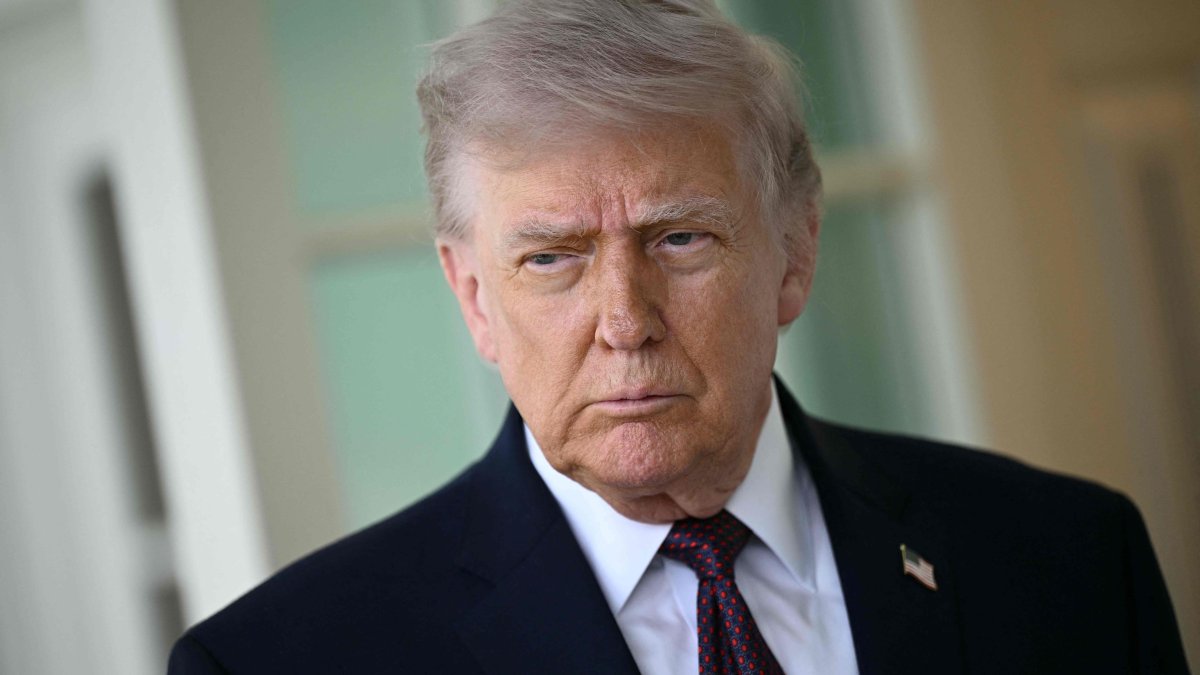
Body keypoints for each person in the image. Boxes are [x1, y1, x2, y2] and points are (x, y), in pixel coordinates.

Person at [168, 1, 1189, 673]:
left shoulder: (1068, 559)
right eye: (551, 258)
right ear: (474, 297)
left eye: (681, 237)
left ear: (793, 252)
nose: (625, 321)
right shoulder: (283, 663)